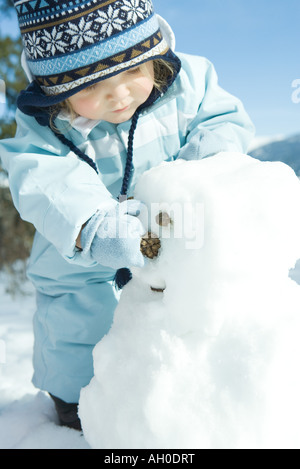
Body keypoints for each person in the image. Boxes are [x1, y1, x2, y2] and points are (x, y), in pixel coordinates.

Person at [0, 0, 255, 431]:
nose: (117, 95)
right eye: (89, 87)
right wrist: (92, 223)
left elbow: (224, 120)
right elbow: (43, 176)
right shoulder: (45, 127)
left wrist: (200, 169)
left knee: (179, 328)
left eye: (133, 72)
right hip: (78, 264)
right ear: (57, 89)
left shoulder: (189, 84)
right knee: (79, 328)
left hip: (171, 254)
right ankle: (74, 406)